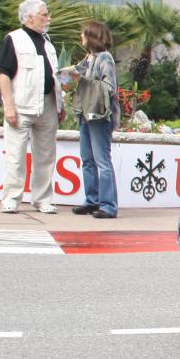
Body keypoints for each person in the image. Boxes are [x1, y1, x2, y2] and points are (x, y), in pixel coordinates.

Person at [0, 0, 65, 214]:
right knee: (15, 155)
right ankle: (11, 199)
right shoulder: (14, 39)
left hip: (47, 106)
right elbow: (4, 74)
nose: (48, 18)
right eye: (44, 15)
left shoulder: (48, 42)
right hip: (21, 106)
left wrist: (60, 105)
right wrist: (8, 105)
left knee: (46, 156)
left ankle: (42, 199)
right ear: (29, 17)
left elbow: (55, 75)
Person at [69, 20, 120, 219]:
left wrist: (82, 80)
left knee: (102, 161)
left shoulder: (104, 58)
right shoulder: (88, 57)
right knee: (87, 160)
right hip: (85, 112)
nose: (80, 38)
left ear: (91, 36)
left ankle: (108, 205)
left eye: (83, 34)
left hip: (99, 115)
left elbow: (110, 87)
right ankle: (92, 200)